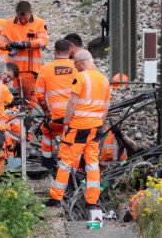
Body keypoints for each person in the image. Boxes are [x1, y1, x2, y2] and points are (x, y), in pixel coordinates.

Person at [48, 50, 111, 208]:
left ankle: (56, 197)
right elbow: (106, 105)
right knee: (92, 164)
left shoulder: (81, 77)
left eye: (75, 64)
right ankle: (92, 201)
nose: (75, 68)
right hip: (95, 127)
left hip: (78, 127)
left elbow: (72, 102)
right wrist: (99, 122)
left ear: (82, 62)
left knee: (66, 161)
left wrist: (66, 122)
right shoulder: (104, 79)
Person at [0, 1, 49, 109]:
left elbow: (43, 41)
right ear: (16, 13)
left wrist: (25, 44)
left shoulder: (39, 23)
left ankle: (29, 124)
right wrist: (9, 46)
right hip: (11, 72)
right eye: (20, 18)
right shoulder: (9, 23)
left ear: (31, 12)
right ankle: (12, 125)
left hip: (30, 72)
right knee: (11, 102)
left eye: (25, 18)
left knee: (30, 103)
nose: (22, 21)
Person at [35, 39, 77, 169]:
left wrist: (46, 109)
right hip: (76, 117)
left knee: (47, 131)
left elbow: (39, 96)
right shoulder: (77, 67)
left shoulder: (46, 69)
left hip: (57, 117)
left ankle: (47, 161)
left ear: (54, 52)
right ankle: (74, 164)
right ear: (70, 52)